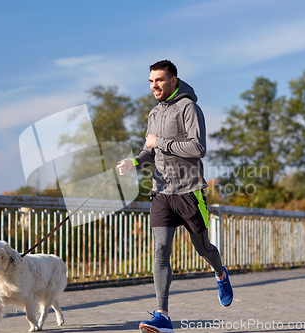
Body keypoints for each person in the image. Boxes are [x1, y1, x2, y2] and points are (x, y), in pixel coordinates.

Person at [117, 60, 233, 333]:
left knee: (204, 249)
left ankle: (220, 274)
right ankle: (162, 315)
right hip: (161, 193)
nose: (153, 86)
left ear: (172, 80)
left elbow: (198, 147)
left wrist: (160, 143)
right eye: (150, 81)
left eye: (158, 80)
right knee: (160, 251)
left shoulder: (189, 108)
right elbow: (151, 152)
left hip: (189, 191)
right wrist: (134, 162)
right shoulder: (154, 113)